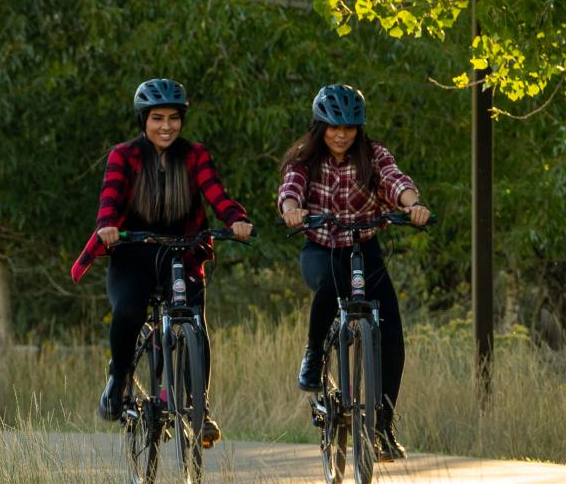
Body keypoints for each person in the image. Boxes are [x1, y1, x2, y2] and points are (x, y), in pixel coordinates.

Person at [71, 78, 253, 443]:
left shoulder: (195, 154)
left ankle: (199, 408)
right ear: (144, 120)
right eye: (157, 118)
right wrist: (107, 227)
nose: (166, 126)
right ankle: (119, 378)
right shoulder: (124, 155)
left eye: (173, 117)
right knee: (128, 311)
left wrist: (234, 218)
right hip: (133, 253)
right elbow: (109, 200)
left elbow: (215, 192)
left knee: (194, 324)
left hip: (183, 254)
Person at [277, 84, 431, 461]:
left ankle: (383, 425)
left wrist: (414, 205)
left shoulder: (373, 155)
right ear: (320, 126)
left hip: (366, 248)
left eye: (349, 127)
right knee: (330, 285)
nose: (342, 134)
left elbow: (396, 181)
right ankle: (314, 355)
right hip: (321, 248)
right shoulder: (305, 158)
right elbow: (291, 188)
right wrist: (292, 209)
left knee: (391, 332)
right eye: (333, 126)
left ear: (359, 128)